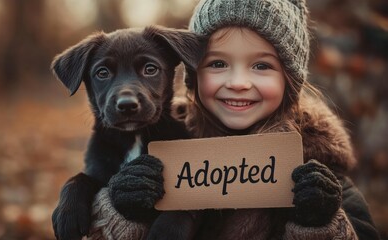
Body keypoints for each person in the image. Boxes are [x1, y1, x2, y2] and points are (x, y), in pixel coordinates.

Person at [89, 0, 380, 239]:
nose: (238, 82)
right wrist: (123, 211)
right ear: (192, 74)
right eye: (218, 63)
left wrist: (319, 224)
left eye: (261, 65)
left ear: (289, 82)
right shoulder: (157, 145)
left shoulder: (319, 168)